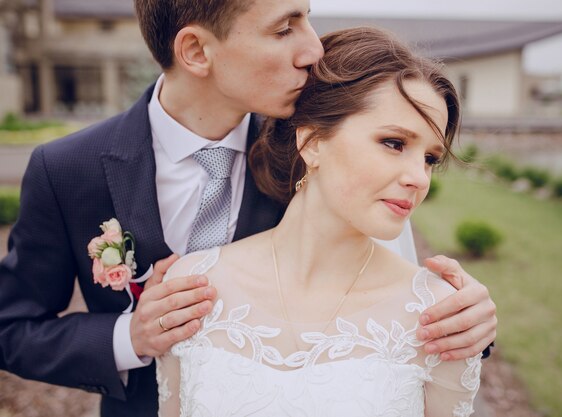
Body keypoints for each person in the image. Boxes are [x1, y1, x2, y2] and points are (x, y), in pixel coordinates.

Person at [0, 1, 495, 416]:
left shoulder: (311, 152)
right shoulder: (68, 168)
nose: (313, 48)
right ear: (196, 51)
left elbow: (386, 320)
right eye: (284, 28)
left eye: (307, 17)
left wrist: (465, 322)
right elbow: (11, 329)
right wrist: (129, 335)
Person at [156, 26, 482, 417]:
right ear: (311, 143)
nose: (419, 178)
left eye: (429, 158)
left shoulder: (443, 315)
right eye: (394, 143)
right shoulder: (193, 289)